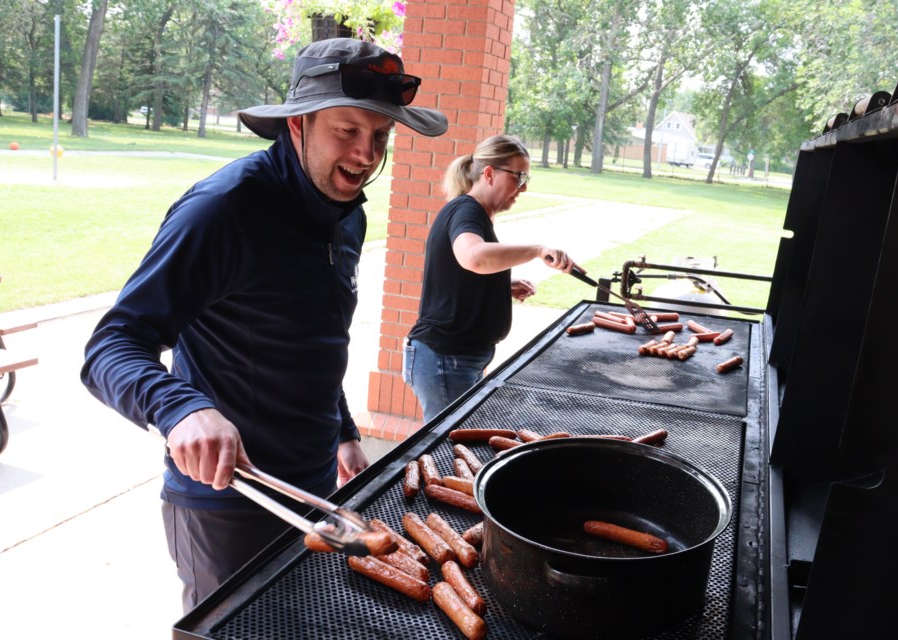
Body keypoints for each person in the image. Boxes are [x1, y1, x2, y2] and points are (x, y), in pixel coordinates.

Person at [79, 38, 447, 612]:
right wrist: (181, 409)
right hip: (226, 500)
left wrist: (343, 429)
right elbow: (111, 345)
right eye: (346, 130)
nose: (365, 154)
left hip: (316, 485)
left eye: (380, 137)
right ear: (297, 125)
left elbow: (314, 338)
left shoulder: (346, 213)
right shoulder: (223, 210)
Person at [403, 134, 581, 422]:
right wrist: (537, 250)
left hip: (458, 358)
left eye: (526, 179)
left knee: (455, 447)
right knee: (449, 450)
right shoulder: (466, 210)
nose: (522, 188)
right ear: (489, 173)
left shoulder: (476, 214)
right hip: (445, 358)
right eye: (518, 177)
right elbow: (473, 257)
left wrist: (500, 286)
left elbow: (460, 273)